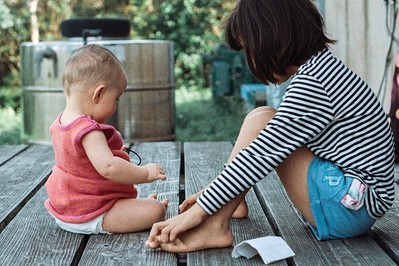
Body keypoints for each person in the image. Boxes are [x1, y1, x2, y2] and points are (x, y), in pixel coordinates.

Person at [146, 0, 395, 252]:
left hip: (349, 209)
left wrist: (202, 209)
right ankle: (233, 202)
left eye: (249, 50)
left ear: (270, 39)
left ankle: (216, 223)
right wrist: (216, 191)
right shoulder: (321, 70)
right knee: (261, 116)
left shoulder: (313, 85)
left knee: (263, 125)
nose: (250, 61)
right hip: (353, 200)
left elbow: (261, 154)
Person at [44, 44, 168, 235]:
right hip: (93, 211)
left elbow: (80, 162)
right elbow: (109, 167)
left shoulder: (60, 123)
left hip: (64, 210)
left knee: (143, 207)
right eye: (116, 98)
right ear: (98, 94)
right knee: (156, 210)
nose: (116, 105)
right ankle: (141, 209)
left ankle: (135, 209)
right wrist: (145, 173)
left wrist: (113, 152)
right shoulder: (88, 129)